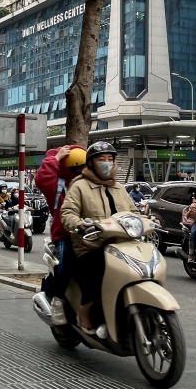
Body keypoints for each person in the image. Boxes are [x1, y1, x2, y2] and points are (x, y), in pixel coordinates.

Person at [59, 142, 136, 335]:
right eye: (101, 159)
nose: (107, 163)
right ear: (91, 163)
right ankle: (86, 311)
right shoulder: (79, 186)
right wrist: (79, 224)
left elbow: (133, 213)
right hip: (91, 246)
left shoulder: (119, 188)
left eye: (110, 159)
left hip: (122, 245)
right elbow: (67, 213)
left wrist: (147, 220)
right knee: (98, 271)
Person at [35, 145, 87, 320]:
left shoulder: (91, 182)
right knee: (66, 267)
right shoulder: (57, 184)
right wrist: (56, 158)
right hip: (65, 233)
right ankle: (56, 298)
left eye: (84, 165)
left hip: (93, 233)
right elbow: (42, 179)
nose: (82, 170)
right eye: (77, 167)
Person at [182, 189, 196, 259]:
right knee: (193, 233)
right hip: (195, 221)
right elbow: (194, 215)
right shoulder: (194, 205)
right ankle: (191, 253)